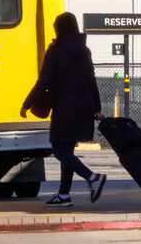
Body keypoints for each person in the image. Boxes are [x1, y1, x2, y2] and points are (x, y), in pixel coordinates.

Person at [21, 12, 107, 207]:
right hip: (84, 107)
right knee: (67, 151)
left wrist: (28, 102)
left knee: (60, 151)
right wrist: (97, 107)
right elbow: (91, 80)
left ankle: (93, 178)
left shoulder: (56, 50)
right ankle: (63, 195)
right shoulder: (84, 50)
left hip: (65, 108)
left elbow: (44, 81)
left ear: (59, 28)